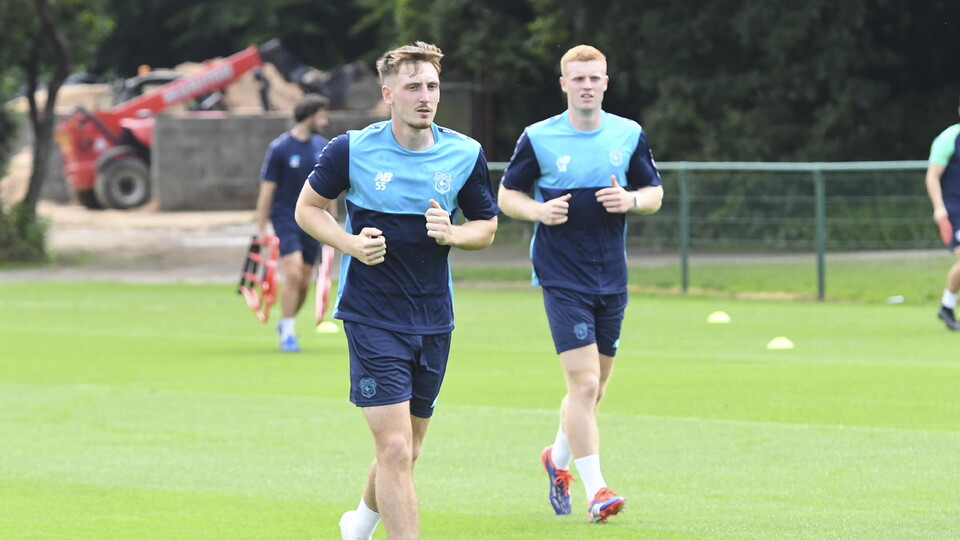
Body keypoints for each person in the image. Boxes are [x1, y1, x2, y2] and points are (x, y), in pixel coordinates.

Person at [294, 41, 499, 540]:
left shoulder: (464, 153)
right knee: (394, 449)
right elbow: (308, 209)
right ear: (389, 93)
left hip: (433, 319)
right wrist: (348, 244)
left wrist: (453, 233)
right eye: (413, 87)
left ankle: (359, 525)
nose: (424, 96)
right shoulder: (351, 149)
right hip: (371, 315)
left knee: (409, 447)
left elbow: (487, 226)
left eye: (431, 86)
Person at [497, 44, 663, 523]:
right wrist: (538, 211)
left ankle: (556, 458)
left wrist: (630, 201)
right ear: (564, 84)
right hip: (560, 273)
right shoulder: (540, 137)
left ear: (606, 82)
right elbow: (508, 194)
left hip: (611, 273)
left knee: (595, 388)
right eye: (578, 78)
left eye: (595, 78)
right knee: (584, 382)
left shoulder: (627, 134)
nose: (587, 85)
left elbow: (654, 192)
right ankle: (597, 490)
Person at [255, 93, 336, 352]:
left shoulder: (322, 146)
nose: (325, 120)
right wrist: (260, 227)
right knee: (292, 272)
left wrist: (333, 223)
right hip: (286, 218)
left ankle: (286, 322)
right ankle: (288, 333)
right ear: (310, 115)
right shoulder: (280, 148)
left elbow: (331, 188)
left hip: (314, 220)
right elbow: (267, 190)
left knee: (303, 279)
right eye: (322, 114)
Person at [925, 96, 960, 331]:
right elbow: (932, 176)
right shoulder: (949, 138)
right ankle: (947, 307)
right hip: (955, 209)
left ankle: (946, 306)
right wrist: (939, 208)